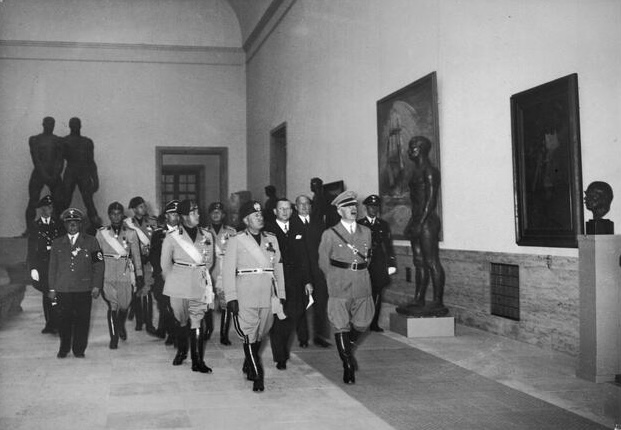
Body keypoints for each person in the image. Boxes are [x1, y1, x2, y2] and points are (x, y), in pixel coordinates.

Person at [222, 201, 285, 392]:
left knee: (261, 332)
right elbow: (228, 271)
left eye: (260, 214)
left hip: (267, 293)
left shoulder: (271, 239)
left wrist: (281, 294)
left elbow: (278, 268)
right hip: (245, 293)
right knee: (249, 333)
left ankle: (248, 362)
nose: (260, 217)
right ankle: (258, 376)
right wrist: (231, 297)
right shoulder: (236, 239)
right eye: (255, 215)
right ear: (245, 220)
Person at [318, 191, 374, 384]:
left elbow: (368, 257)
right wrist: (334, 280)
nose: (353, 209)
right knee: (340, 322)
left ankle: (347, 346)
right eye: (348, 206)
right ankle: (347, 364)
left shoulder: (366, 232)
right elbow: (323, 261)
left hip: (362, 281)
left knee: (364, 321)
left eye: (354, 206)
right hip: (339, 283)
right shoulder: (329, 234)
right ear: (339, 211)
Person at [161, 199, 215, 373]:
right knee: (181, 319)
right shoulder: (172, 237)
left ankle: (197, 361)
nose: (198, 215)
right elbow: (165, 265)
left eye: (197, 211)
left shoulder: (207, 235)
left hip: (198, 282)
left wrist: (200, 276)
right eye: (194, 212)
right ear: (183, 216)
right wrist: (173, 282)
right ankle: (182, 350)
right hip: (178, 284)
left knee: (197, 319)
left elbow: (209, 262)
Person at [398, 136, 447, 316]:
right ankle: (419, 298)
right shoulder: (415, 172)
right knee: (418, 262)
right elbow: (416, 203)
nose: (409, 151)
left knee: (431, 261)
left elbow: (430, 201)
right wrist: (412, 222)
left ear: (422, 149)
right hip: (418, 219)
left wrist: (420, 222)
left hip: (428, 221)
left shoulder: (430, 171)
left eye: (413, 148)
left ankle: (437, 301)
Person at [48, 208, 104, 358]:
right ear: (65, 225)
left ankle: (79, 349)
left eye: (75, 223)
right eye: (69, 223)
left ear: (81, 224)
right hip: (63, 288)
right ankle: (64, 347)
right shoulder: (57, 243)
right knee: (64, 320)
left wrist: (96, 285)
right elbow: (52, 267)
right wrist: (52, 288)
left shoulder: (91, 241)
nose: (72, 226)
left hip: (83, 288)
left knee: (82, 319)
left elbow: (98, 265)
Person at [265, 199, 313, 370]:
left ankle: (283, 349)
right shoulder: (267, 231)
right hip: (276, 281)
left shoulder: (298, 228)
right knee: (278, 319)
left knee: (293, 316)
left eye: (287, 209)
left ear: (292, 211)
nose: (285, 212)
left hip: (296, 282)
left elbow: (304, 257)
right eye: (281, 209)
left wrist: (307, 281)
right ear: (275, 211)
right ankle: (280, 356)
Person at [96, 202, 144, 349]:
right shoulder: (101, 233)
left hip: (125, 273)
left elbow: (136, 255)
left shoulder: (131, 233)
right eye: (113, 214)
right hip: (108, 273)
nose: (116, 217)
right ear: (109, 215)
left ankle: (120, 324)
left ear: (122, 215)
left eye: (118, 214)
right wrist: (96, 276)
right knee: (112, 305)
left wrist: (139, 274)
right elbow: (96, 256)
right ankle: (114, 337)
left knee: (125, 304)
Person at [290, 194, 331, 348]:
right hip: (299, 270)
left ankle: (320, 336)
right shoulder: (291, 224)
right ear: (296, 207)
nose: (304, 206)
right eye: (301, 204)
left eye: (307, 204)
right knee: (301, 304)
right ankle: (303, 338)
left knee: (321, 303)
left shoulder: (318, 223)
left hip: (317, 269)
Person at [358, 194, 397, 332]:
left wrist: (391, 263)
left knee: (377, 294)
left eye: (376, 207)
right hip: (364, 264)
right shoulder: (359, 224)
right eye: (371, 207)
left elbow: (388, 245)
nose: (374, 210)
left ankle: (374, 323)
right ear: (366, 208)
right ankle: (361, 321)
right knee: (362, 294)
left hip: (379, 264)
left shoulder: (383, 225)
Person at [27, 194, 64, 334]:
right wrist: (33, 268)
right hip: (42, 264)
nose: (46, 210)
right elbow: (31, 249)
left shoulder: (58, 225)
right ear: (40, 209)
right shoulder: (35, 226)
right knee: (46, 293)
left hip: (57, 264)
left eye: (49, 207)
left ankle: (57, 322)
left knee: (57, 293)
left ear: (52, 208)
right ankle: (50, 323)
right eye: (43, 207)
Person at [24, 117, 64, 236]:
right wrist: (45, 175)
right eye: (48, 124)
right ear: (43, 124)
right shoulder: (35, 139)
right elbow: (36, 159)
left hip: (53, 173)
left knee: (59, 202)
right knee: (33, 200)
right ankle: (30, 229)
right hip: (39, 173)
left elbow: (60, 159)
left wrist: (55, 174)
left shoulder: (58, 140)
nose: (50, 126)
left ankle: (58, 229)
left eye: (52, 124)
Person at [204, 201, 237, 346]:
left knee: (226, 304)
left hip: (225, 273)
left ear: (223, 215)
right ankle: (208, 329)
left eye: (219, 212)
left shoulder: (231, 232)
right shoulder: (203, 232)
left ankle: (224, 334)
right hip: (209, 272)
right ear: (209, 215)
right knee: (207, 303)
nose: (216, 214)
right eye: (213, 212)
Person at [124, 196, 158, 334]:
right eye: (140, 206)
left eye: (144, 206)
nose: (144, 208)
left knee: (147, 289)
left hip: (148, 260)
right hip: (134, 261)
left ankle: (149, 323)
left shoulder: (152, 222)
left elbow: (156, 240)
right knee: (136, 290)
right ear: (133, 209)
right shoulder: (127, 224)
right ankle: (139, 320)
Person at [60, 117, 101, 230]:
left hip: (83, 172)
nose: (75, 126)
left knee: (88, 200)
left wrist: (95, 179)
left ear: (80, 126)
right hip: (71, 171)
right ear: (69, 126)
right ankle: (58, 225)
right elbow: (59, 160)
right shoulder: (64, 141)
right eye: (73, 124)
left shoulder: (87, 142)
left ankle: (96, 225)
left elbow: (91, 161)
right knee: (65, 199)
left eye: (77, 124)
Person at [149, 200, 180, 345]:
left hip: (180, 275)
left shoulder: (185, 233)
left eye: (178, 214)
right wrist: (160, 272)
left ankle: (175, 333)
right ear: (166, 216)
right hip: (163, 276)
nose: (176, 217)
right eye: (173, 214)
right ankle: (171, 332)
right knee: (164, 305)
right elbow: (154, 256)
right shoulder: (158, 234)